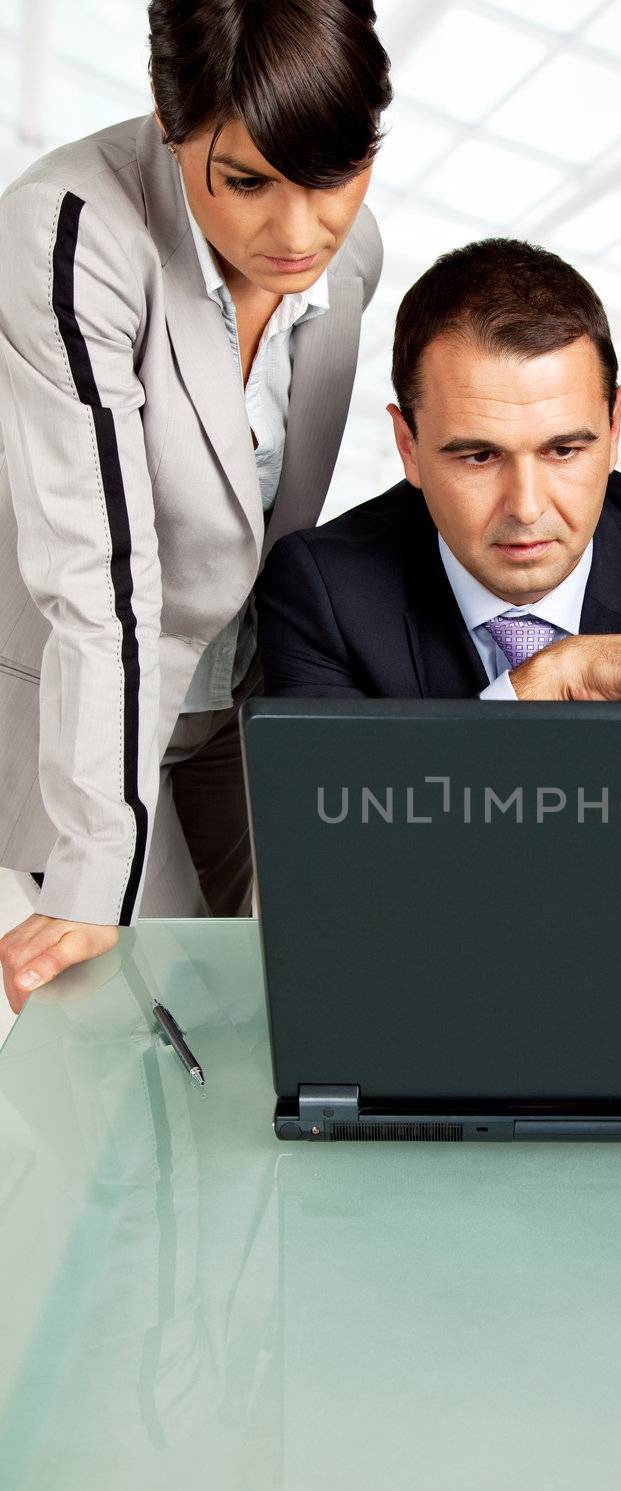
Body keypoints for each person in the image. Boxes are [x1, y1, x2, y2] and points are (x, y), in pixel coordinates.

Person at [0, 0, 391, 1014]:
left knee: (285, 996)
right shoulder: (70, 233)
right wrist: (93, 868)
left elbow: (280, 524)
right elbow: (100, 578)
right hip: (84, 707)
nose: (298, 230)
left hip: (238, 695)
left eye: (333, 177)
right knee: (150, 1019)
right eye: (246, 181)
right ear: (171, 129)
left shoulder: (352, 257)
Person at [255, 239, 621, 711]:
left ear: (614, 428)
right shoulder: (323, 590)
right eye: (478, 457)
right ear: (408, 446)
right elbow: (338, 827)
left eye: (564, 450)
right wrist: (543, 682)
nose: (526, 508)